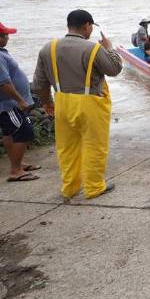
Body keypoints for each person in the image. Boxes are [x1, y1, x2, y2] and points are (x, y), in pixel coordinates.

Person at [33, 10, 123, 200]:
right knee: (95, 146)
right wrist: (109, 49)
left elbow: (39, 83)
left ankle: (70, 187)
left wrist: (47, 102)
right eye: (91, 27)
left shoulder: (48, 48)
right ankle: (94, 186)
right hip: (90, 103)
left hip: (62, 101)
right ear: (86, 26)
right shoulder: (93, 48)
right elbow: (114, 69)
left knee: (67, 148)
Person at [0, 22, 39, 183]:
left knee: (10, 133)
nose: (8, 38)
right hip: (7, 103)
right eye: (6, 35)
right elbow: (3, 83)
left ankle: (18, 164)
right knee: (23, 132)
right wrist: (20, 101)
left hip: (6, 102)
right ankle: (16, 170)